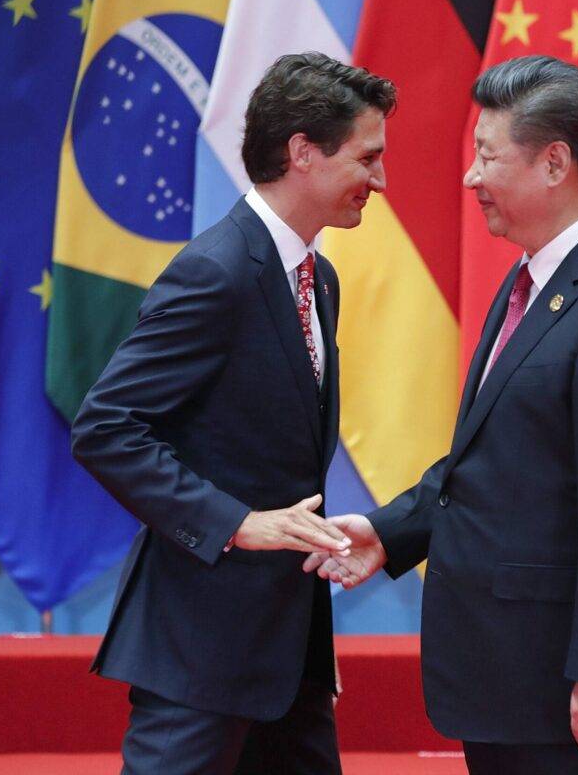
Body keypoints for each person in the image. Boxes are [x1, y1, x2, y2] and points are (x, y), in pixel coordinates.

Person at [307, 55, 578, 774]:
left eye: (487, 155)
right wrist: (389, 532)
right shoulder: (534, 277)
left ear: (555, 163)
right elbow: (497, 459)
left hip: (576, 698)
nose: (471, 177)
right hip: (516, 678)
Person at [71, 51, 394, 775]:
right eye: (368, 158)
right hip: (201, 649)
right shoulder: (215, 271)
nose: (380, 180)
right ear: (303, 152)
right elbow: (106, 427)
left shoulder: (320, 277)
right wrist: (238, 524)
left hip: (289, 655)